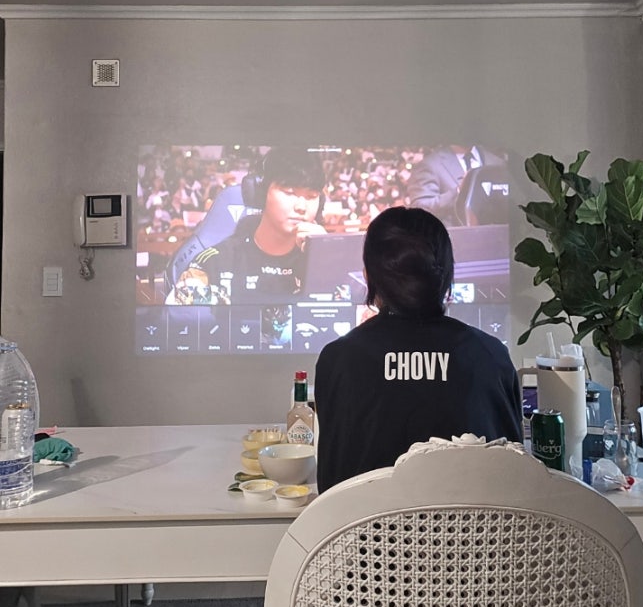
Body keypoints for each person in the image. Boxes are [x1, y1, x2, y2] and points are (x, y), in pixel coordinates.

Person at [314, 206, 523, 493]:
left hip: (365, 523)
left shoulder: (339, 359)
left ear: (368, 276)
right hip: (471, 522)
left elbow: (331, 482)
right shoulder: (490, 355)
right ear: (446, 274)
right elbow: (516, 478)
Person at [170, 147, 327, 303]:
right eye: (289, 192)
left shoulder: (324, 261)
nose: (301, 207)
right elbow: (177, 316)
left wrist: (326, 258)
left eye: (312, 196)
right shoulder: (215, 264)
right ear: (261, 193)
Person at [407, 143, 507, 226]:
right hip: (452, 241)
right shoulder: (430, 164)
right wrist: (459, 192)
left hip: (497, 238)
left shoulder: (497, 162)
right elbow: (419, 210)